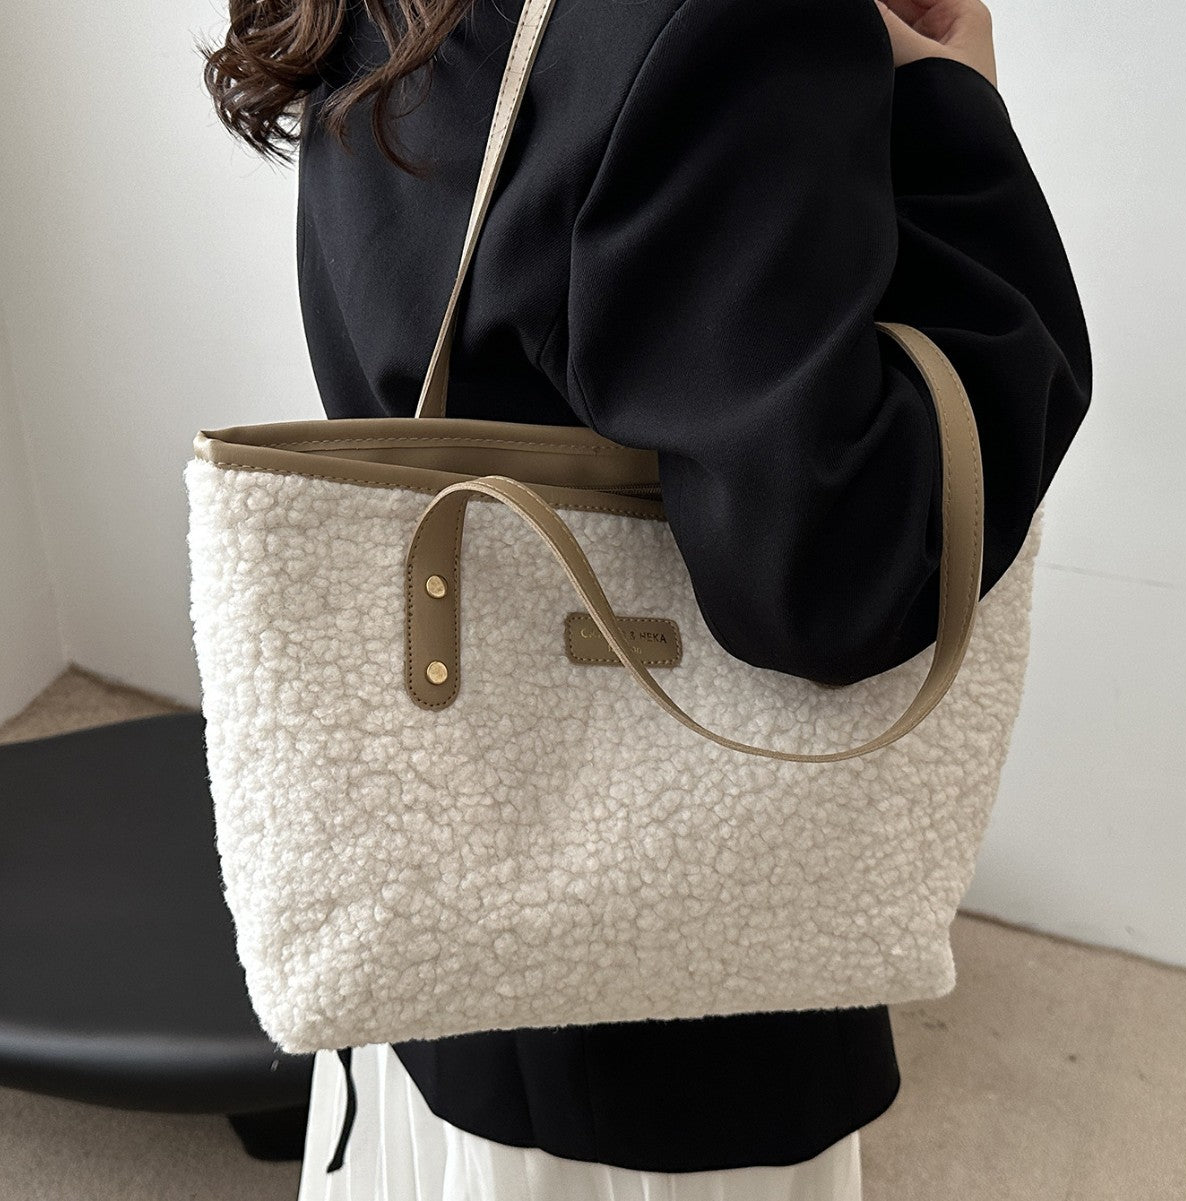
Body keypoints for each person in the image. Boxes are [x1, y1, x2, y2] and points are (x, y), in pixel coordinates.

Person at [200, 0, 1092, 1196]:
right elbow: (845, 580)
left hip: (441, 909)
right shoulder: (733, 24)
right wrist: (951, 110)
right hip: (661, 1063)